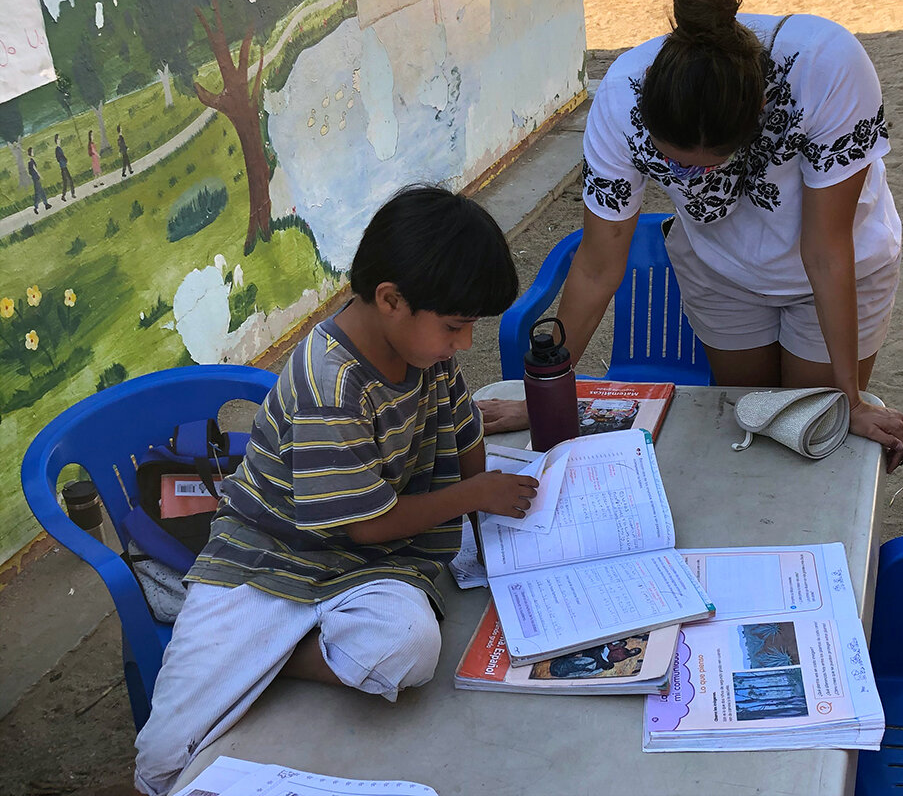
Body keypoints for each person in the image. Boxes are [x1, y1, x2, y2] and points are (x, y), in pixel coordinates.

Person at [133, 186, 539, 796]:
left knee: (409, 651)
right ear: (391, 300)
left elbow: (465, 435)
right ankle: (272, 654)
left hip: (372, 562)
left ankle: (276, 658)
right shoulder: (331, 378)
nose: (465, 345)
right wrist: (475, 496)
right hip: (267, 556)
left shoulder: (429, 358)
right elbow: (366, 524)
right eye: (456, 327)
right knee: (165, 760)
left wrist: (502, 546)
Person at [480, 0, 903, 470]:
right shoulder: (621, 100)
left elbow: (826, 249)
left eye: (717, 162)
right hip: (721, 273)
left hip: (840, 267)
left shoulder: (827, 67)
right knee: (753, 420)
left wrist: (854, 399)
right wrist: (544, 396)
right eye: (679, 168)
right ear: (648, 119)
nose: (701, 180)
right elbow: (598, 266)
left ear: (757, 113)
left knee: (811, 429)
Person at [26, 147, 50, 214]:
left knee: (42, 192)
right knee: (38, 194)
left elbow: (30, 172)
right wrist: (40, 175)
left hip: (35, 179)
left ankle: (46, 204)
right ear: (30, 153)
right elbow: (35, 170)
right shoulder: (31, 162)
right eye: (32, 152)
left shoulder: (30, 161)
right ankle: (36, 207)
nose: (33, 153)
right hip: (36, 179)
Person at [54, 133, 75, 201]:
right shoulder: (57, 149)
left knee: (66, 182)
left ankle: (65, 195)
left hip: (64, 167)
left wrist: (64, 160)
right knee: (69, 181)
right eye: (59, 139)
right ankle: (71, 194)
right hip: (63, 167)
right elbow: (59, 158)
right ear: (56, 140)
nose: (60, 140)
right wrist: (65, 160)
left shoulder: (59, 148)